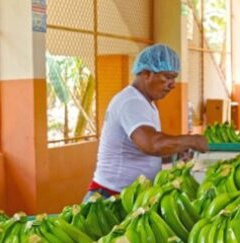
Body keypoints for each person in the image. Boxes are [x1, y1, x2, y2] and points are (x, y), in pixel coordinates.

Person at [85, 44, 208, 200]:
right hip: (110, 197)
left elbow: (142, 151)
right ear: (146, 73)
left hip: (130, 195)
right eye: (167, 77)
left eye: (174, 78)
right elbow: (151, 144)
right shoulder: (131, 102)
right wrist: (192, 140)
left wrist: (175, 151)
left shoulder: (146, 103)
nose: (173, 85)